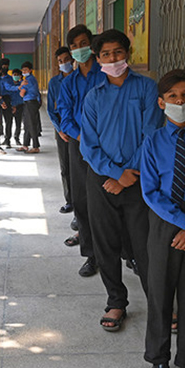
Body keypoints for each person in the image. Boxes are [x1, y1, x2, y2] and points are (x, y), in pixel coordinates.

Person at [80, 29, 163, 331]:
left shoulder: (146, 89)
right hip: (102, 180)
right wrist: (116, 173)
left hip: (139, 178)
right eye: (105, 54)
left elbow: (151, 135)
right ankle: (116, 301)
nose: (113, 58)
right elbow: (88, 145)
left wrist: (129, 175)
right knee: (106, 244)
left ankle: (159, 302)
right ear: (98, 58)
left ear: (128, 52)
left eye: (118, 52)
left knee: (144, 245)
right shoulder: (93, 97)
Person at [141, 70, 185, 368]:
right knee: (160, 290)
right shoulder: (152, 141)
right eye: (173, 97)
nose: (180, 101)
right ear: (161, 102)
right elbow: (150, 192)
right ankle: (159, 361)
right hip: (165, 219)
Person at [57, 24, 103, 277]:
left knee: (112, 198)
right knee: (83, 201)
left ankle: (126, 253)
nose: (78, 49)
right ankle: (91, 255)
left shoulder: (105, 75)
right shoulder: (69, 83)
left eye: (83, 43)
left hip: (108, 145)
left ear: (92, 45)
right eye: (74, 46)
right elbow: (65, 118)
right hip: (79, 145)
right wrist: (83, 137)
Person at [48, 46, 75, 214]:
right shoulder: (54, 83)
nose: (64, 63)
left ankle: (82, 202)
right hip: (63, 131)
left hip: (79, 130)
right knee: (66, 167)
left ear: (72, 60)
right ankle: (70, 200)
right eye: (60, 61)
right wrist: (59, 130)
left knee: (80, 167)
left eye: (66, 60)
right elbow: (51, 109)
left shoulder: (79, 79)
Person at [9, 61, 41, 153]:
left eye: (26, 70)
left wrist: (21, 88)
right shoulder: (31, 78)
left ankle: (36, 146)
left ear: (30, 70)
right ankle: (25, 145)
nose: (24, 71)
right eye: (23, 70)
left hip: (30, 103)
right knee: (27, 124)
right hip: (29, 103)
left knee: (31, 124)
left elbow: (22, 94)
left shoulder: (27, 80)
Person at [0, 58, 16, 148]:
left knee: (8, 120)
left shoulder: (9, 78)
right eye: (3, 66)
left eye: (7, 66)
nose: (5, 68)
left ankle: (7, 139)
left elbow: (12, 91)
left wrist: (14, 104)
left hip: (7, 99)